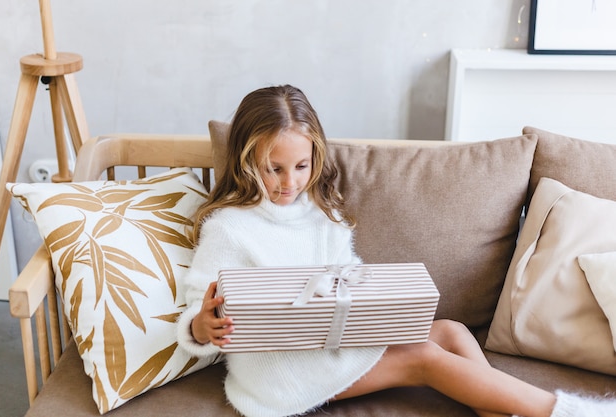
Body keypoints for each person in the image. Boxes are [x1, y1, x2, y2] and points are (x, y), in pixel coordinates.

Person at [177, 84, 615, 417]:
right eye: (273, 169)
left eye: (301, 166)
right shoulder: (230, 228)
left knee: (452, 331)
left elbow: (347, 283)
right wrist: (202, 326)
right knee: (424, 358)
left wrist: (374, 310)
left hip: (332, 347)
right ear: (245, 161)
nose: (289, 182)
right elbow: (195, 315)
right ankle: (565, 411)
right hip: (282, 372)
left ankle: (504, 410)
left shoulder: (316, 210)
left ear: (315, 159)